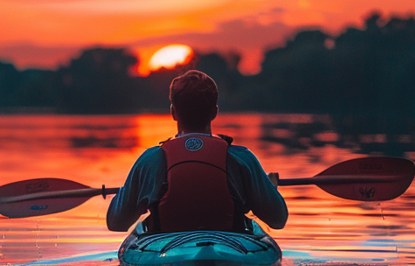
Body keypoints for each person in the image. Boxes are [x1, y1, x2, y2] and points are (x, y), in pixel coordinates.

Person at [106, 69, 287, 234]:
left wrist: (131, 191)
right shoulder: (243, 158)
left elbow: (116, 223)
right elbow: (278, 220)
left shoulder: (150, 160)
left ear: (173, 112)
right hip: (230, 251)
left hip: (165, 256)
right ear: (215, 112)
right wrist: (270, 188)